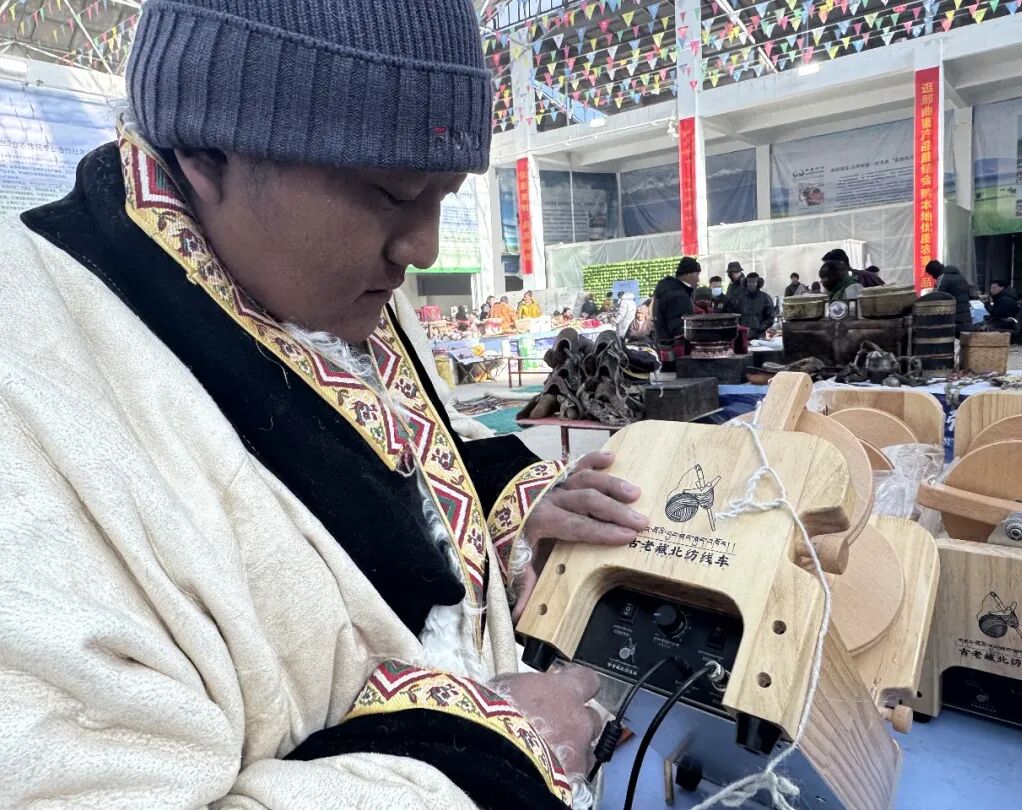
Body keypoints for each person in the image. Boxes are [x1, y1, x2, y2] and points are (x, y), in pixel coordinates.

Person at [0, 2, 654, 806]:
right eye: (390, 193)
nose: (423, 250)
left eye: (445, 195)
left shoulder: (310, 278)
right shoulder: (30, 381)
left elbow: (387, 460)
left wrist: (504, 501)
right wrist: (488, 755)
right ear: (207, 152)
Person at [652, 256, 701, 355]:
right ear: (687, 274)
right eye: (696, 274)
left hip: (664, 346)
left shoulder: (669, 290)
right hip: (676, 350)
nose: (698, 279)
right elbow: (679, 329)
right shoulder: (678, 295)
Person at [925, 260, 973, 335]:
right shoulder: (960, 276)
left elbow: (936, 296)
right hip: (966, 319)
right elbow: (970, 294)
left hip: (953, 319)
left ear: (934, 272)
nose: (932, 277)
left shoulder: (943, 277)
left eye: (931, 274)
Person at [725, 272, 775, 339]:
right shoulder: (739, 298)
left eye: (754, 282)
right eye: (749, 282)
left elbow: (770, 317)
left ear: (758, 283)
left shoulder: (765, 298)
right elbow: (733, 314)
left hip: (759, 336)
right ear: (746, 283)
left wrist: (759, 329)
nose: (751, 284)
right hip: (742, 334)